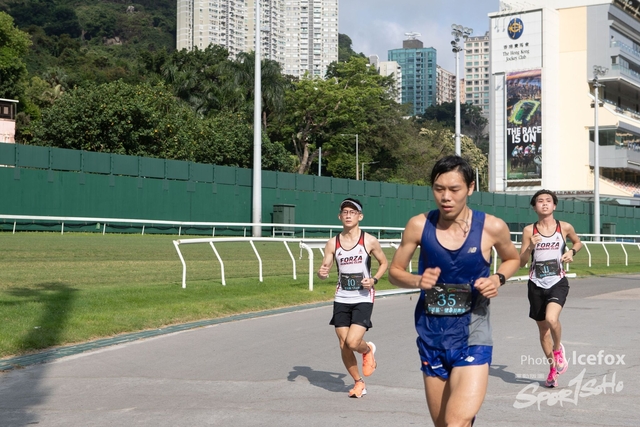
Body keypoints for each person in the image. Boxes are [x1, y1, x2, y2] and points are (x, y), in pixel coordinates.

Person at [388, 156, 520, 427]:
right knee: (444, 424)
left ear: (470, 188)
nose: (445, 197)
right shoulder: (418, 225)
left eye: (454, 189)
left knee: (456, 422)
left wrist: (497, 278)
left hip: (473, 334)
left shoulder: (492, 226)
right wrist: (417, 280)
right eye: (439, 189)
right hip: (432, 336)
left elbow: (513, 258)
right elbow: (394, 272)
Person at [317, 197, 388, 398]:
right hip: (342, 297)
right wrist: (321, 273)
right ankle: (359, 383)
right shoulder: (333, 243)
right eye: (345, 212)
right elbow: (324, 269)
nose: (348, 215)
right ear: (339, 216)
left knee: (353, 342)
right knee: (343, 344)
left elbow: (384, 263)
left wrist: (374, 279)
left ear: (360, 216)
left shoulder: (369, 240)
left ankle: (367, 350)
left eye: (353, 212)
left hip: (363, 297)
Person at [519, 189, 582, 388]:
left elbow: (578, 242)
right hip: (536, 284)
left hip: (557, 281)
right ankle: (553, 368)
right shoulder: (529, 231)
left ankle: (558, 350)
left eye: (548, 201)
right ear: (534, 207)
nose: (544, 203)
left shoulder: (564, 227)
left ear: (554, 206)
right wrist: (530, 246)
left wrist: (571, 252)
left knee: (551, 319)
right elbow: (521, 262)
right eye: (540, 201)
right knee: (543, 331)